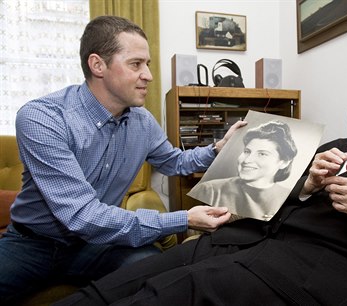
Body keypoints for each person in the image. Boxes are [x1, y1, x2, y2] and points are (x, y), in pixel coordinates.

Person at [55, 73, 347, 306]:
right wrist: (306, 185)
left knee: (171, 291)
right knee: (125, 280)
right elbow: (271, 199)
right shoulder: (330, 147)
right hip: (245, 237)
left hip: (310, 266)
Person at [0, 15, 246, 303]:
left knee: (161, 277)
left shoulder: (142, 121)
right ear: (97, 65)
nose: (149, 76)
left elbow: (176, 162)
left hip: (97, 244)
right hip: (32, 243)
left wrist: (219, 149)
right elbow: (83, 215)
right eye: (136, 64)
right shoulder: (43, 117)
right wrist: (183, 219)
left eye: (148, 65)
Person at [189, 120, 298, 220]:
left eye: (262, 154)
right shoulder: (210, 190)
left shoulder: (289, 196)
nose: (247, 160)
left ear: (284, 162)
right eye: (247, 151)